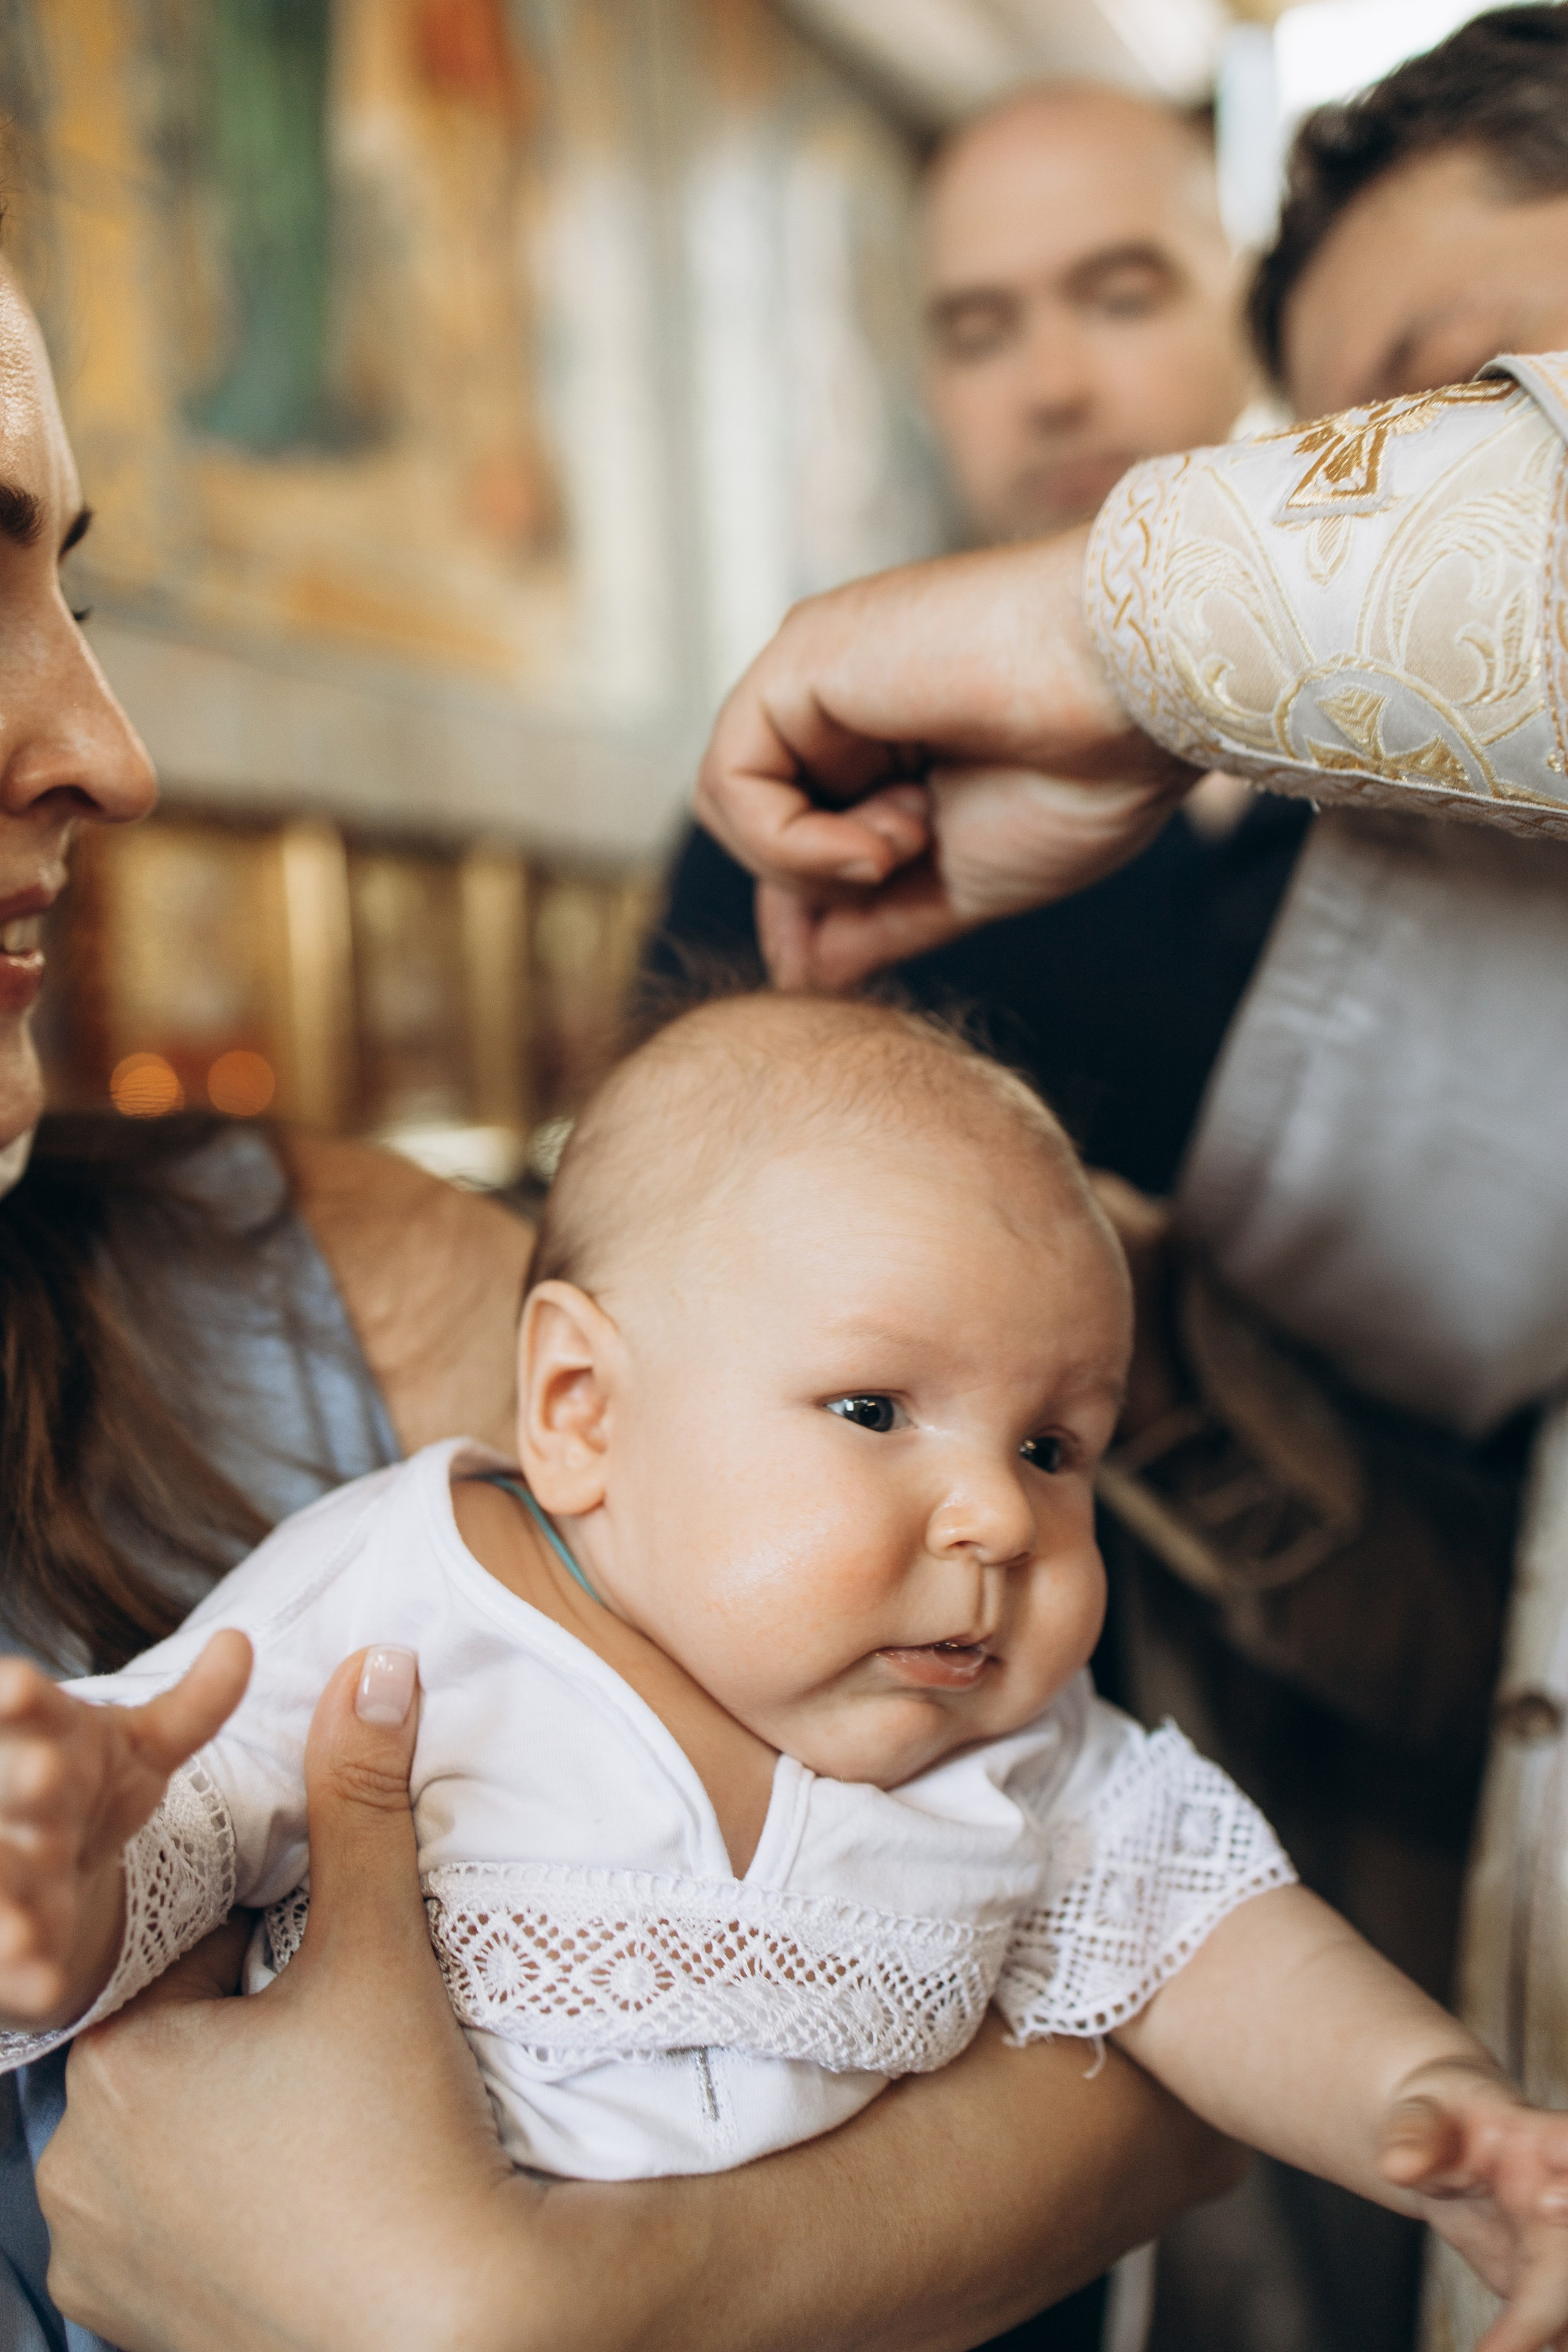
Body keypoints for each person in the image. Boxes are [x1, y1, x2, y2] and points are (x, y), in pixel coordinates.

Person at [0, 254, 1242, 2351]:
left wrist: (561, 2303)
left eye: (75, 599)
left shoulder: (325, 1296)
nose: (112, 756)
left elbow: (1137, 1989)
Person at [13, 991, 1568, 2352]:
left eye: (1052, 1447)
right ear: (578, 1408)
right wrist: (66, 1863)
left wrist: (1432, 2107)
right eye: (876, 1411)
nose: (997, 1517)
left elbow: (1212, 1937)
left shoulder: (1000, 1746)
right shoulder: (407, 1604)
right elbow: (180, 1821)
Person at [654, 82, 1308, 1201]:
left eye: (1120, 300)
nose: (1052, 388)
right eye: (979, 332)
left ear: (1245, 311)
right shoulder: (811, 812)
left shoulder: (1449, 712)